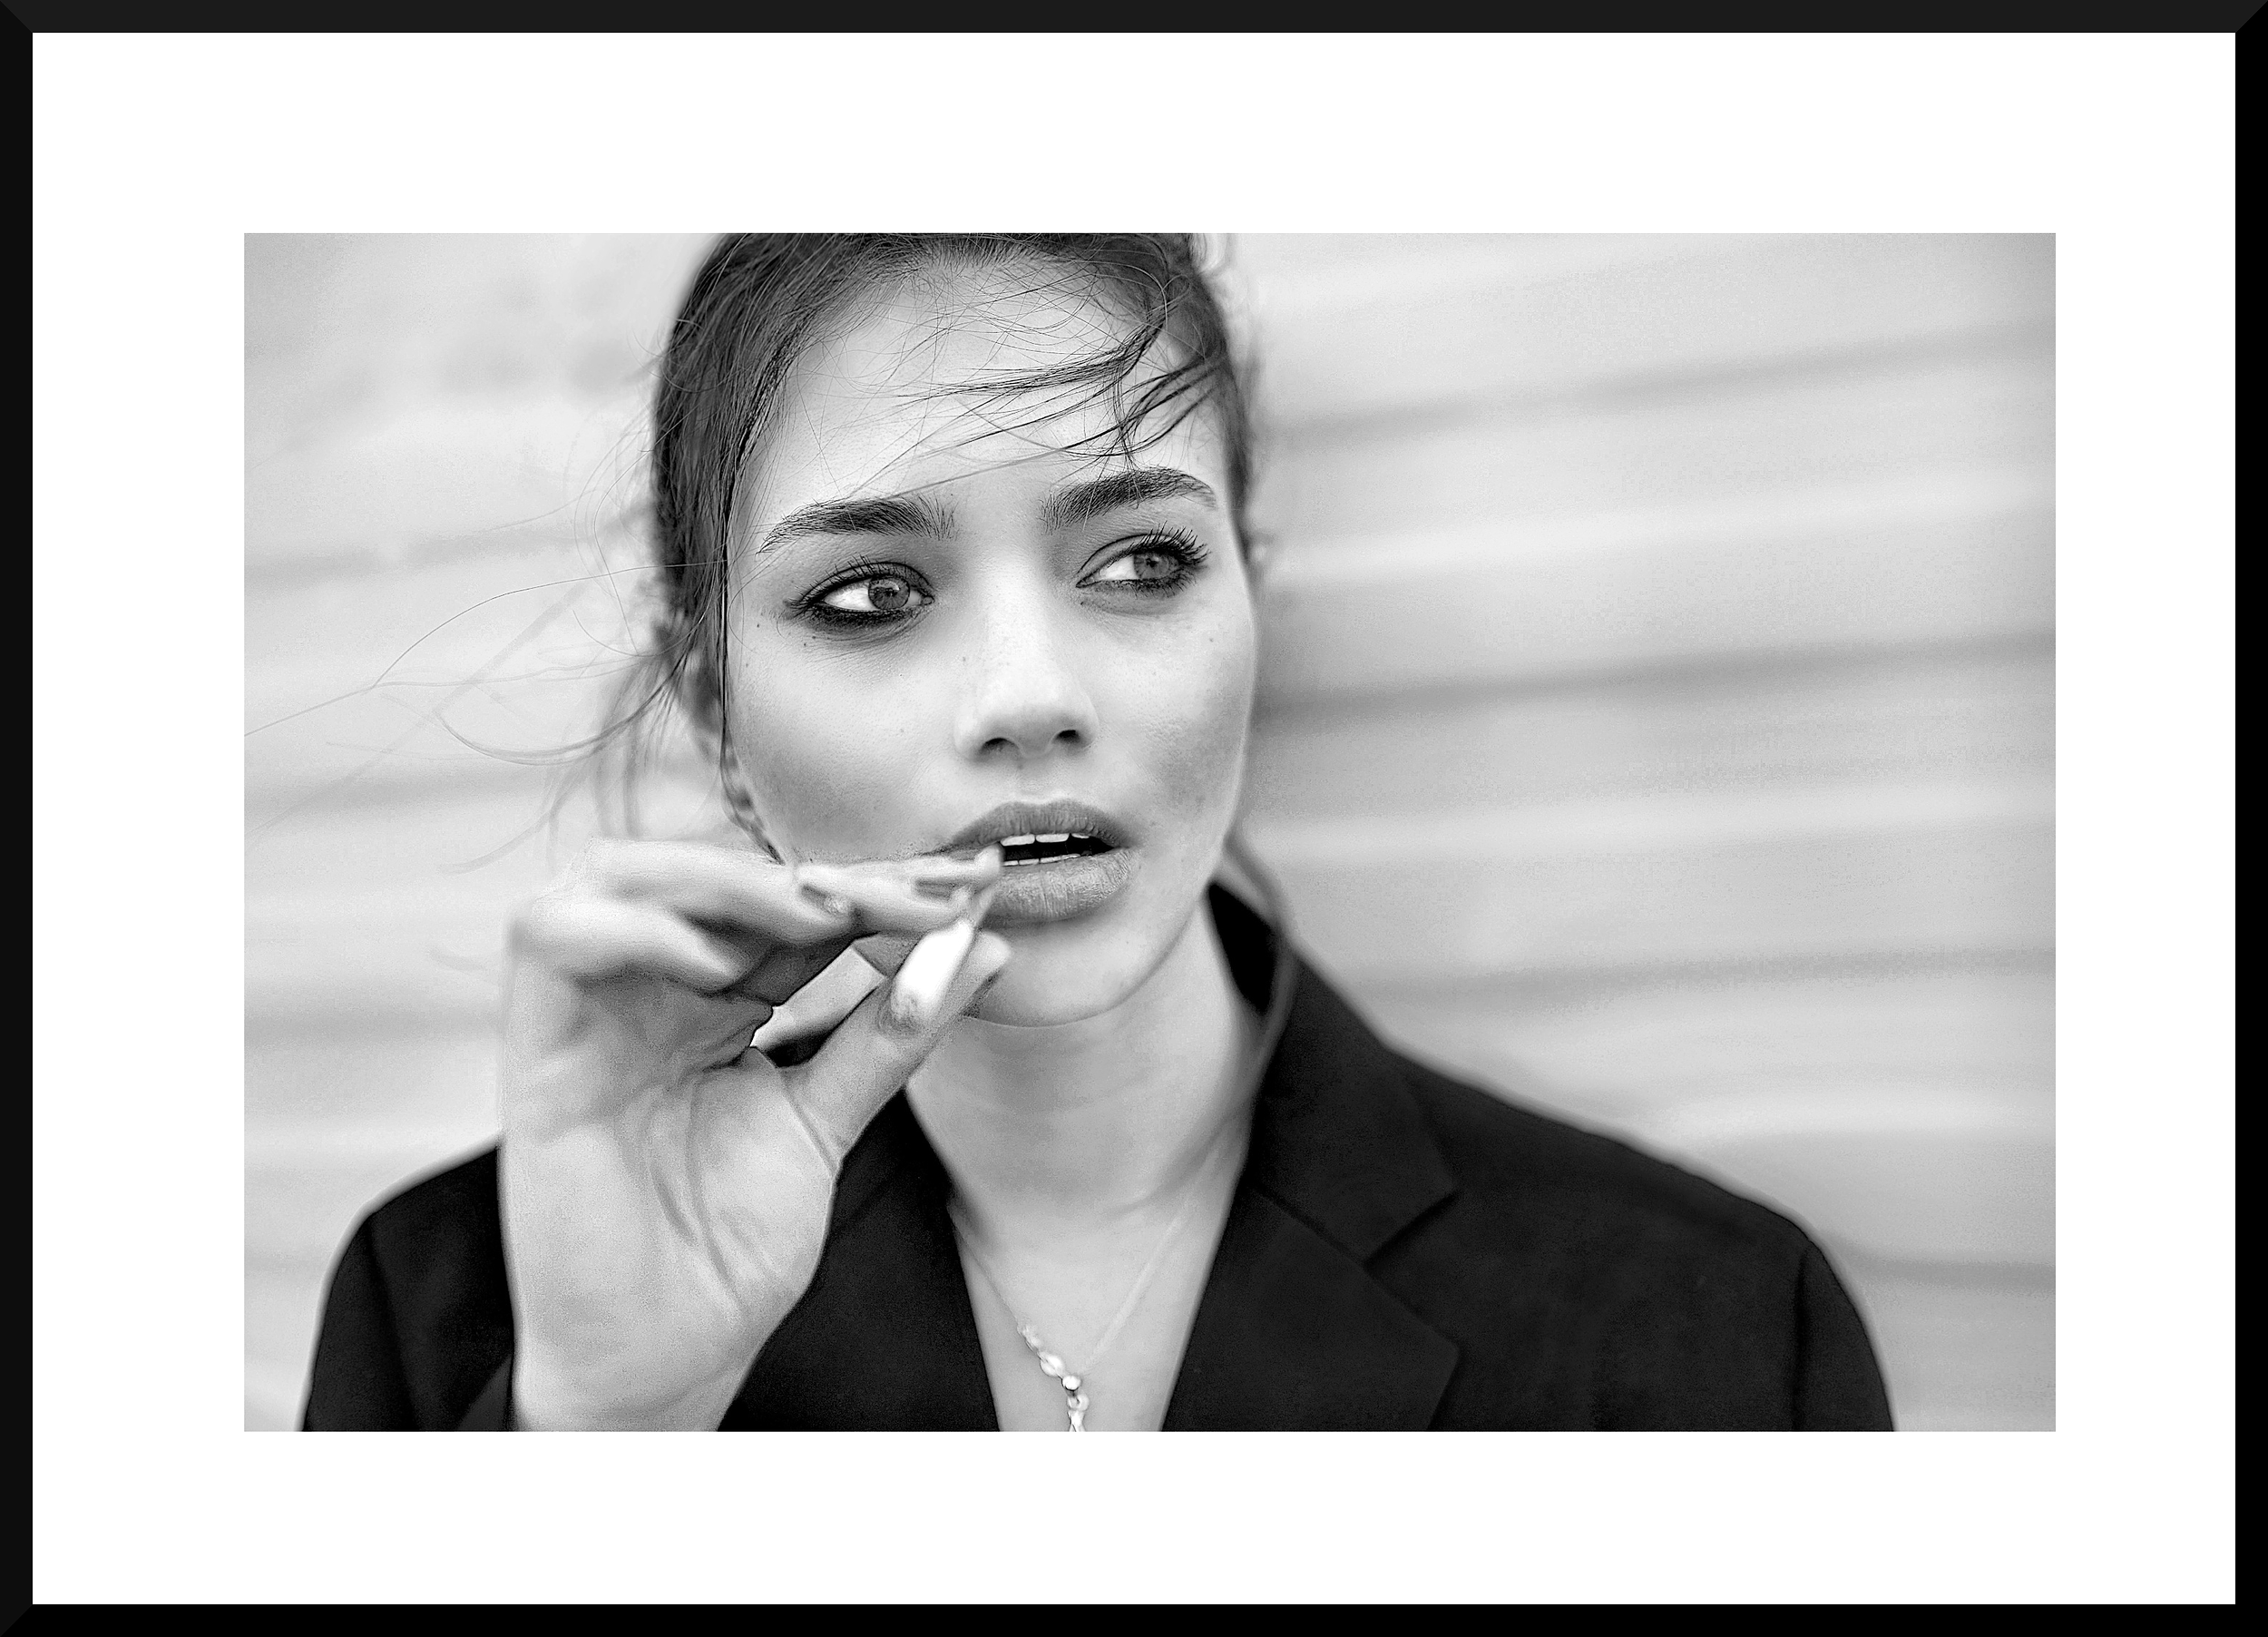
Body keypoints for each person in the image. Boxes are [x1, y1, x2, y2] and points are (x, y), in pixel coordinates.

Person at [302, 233, 1894, 1431]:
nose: (1030, 696)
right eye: (870, 595)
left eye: (1139, 565)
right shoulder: (456, 1318)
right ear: (713, 705)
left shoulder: (1717, 1331)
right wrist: (607, 1443)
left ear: (1254, 600)